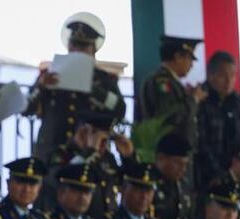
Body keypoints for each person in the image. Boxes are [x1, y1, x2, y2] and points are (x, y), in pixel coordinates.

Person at [24, 12, 125, 162]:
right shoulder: (51, 74)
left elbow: (119, 110)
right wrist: (41, 87)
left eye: (83, 46)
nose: (77, 50)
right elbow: (26, 109)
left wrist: (95, 91)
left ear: (94, 49)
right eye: (74, 44)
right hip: (51, 152)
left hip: (89, 154)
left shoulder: (104, 80)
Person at [137, 36, 203, 146]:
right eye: (189, 59)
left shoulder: (171, 82)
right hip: (168, 151)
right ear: (177, 57)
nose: (191, 65)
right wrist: (194, 99)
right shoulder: (162, 82)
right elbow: (170, 116)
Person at [196, 51, 240, 189]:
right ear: (210, 75)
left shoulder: (237, 102)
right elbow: (201, 144)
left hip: (233, 173)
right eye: (223, 75)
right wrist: (216, 174)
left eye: (232, 75)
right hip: (204, 175)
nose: (229, 81)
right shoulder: (200, 100)